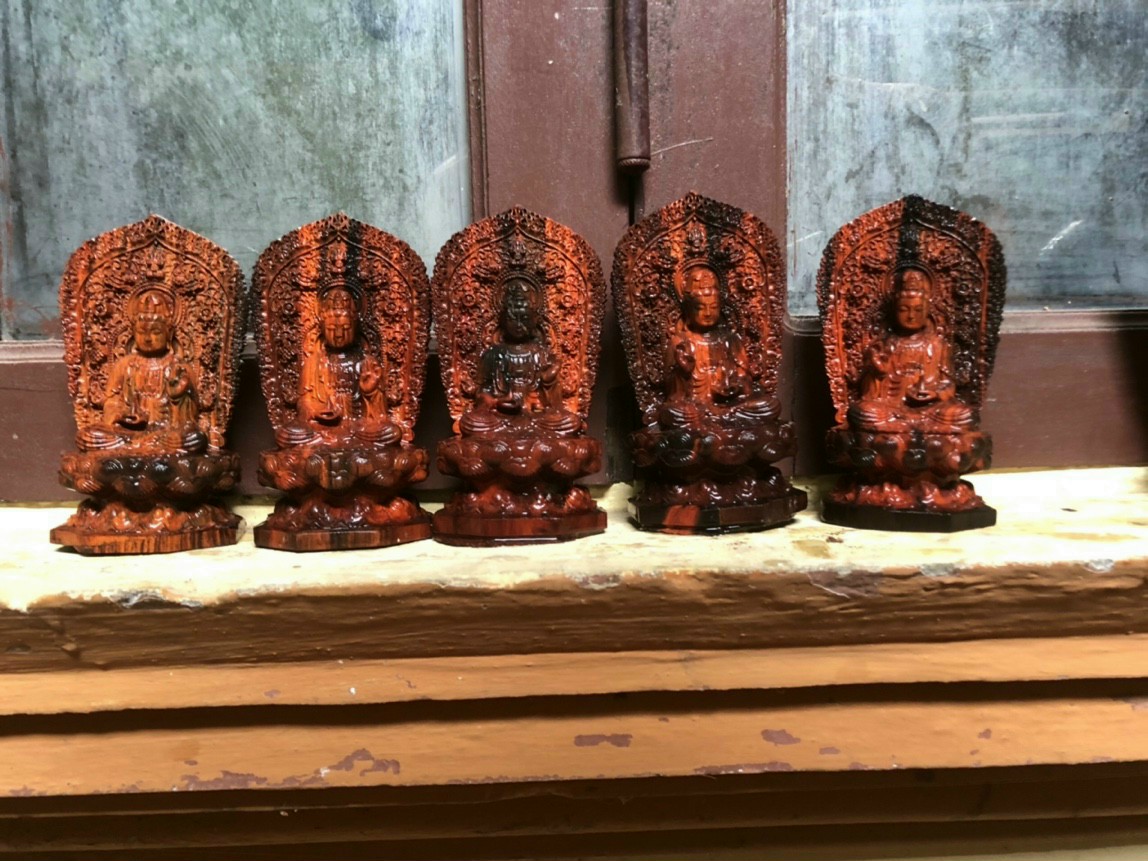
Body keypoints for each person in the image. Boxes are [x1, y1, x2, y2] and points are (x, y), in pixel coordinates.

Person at [847, 267, 974, 433]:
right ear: (894, 311)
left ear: (928, 310)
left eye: (918, 310)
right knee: (862, 411)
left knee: (964, 414)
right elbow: (870, 395)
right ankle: (915, 430)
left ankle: (899, 431)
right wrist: (878, 373)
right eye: (904, 309)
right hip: (891, 409)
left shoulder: (937, 345)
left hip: (930, 410)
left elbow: (948, 385)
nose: (911, 316)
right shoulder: (885, 345)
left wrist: (935, 394)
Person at [80, 288, 207, 453]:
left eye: (156, 332)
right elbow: (111, 402)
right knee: (88, 435)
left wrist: (179, 397)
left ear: (169, 334)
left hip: (166, 434)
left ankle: (139, 448)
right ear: (133, 333)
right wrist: (123, 415)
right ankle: (143, 446)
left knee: (195, 438)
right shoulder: (124, 365)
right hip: (128, 433)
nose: (148, 338)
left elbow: (189, 420)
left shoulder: (179, 368)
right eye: (142, 332)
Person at [657, 265, 779, 430]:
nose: (708, 313)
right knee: (673, 413)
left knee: (770, 405)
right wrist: (682, 372)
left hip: (730, 405)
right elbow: (672, 393)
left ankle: (717, 421)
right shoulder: (680, 343)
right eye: (700, 308)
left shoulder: (730, 339)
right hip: (695, 408)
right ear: (688, 310)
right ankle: (716, 422)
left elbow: (745, 379)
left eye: (713, 307)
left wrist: (735, 383)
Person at [278, 285, 400, 447]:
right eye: (331, 329)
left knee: (392, 432)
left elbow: (379, 415)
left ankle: (336, 448)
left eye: (346, 328)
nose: (338, 334)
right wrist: (316, 411)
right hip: (322, 430)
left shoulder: (367, 362)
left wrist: (370, 392)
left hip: (359, 429)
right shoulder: (313, 362)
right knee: (287, 434)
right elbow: (303, 403)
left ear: (355, 327)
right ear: (322, 328)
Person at [459, 278, 582, 437]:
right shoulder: (493, 354)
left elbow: (553, 405)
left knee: (571, 421)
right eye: (512, 319)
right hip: (500, 419)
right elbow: (482, 391)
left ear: (535, 320)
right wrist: (496, 402)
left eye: (524, 319)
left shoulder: (542, 354)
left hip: (537, 418)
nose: (518, 324)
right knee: (470, 422)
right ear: (503, 321)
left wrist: (549, 382)